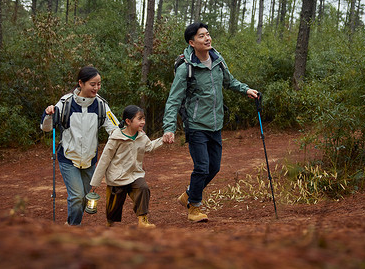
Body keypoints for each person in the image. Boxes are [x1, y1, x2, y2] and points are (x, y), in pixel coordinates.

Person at [162, 22, 259, 222]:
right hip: (196, 125)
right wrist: (169, 128)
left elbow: (229, 82)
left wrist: (246, 89)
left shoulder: (217, 60)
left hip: (216, 124)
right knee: (202, 167)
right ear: (192, 42)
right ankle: (194, 207)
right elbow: (174, 99)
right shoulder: (186, 68)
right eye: (201, 36)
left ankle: (189, 194)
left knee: (214, 167)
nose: (207, 38)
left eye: (207, 34)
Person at [40, 66, 119, 226]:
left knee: (83, 197)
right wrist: (48, 114)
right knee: (76, 197)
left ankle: (71, 224)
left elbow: (115, 128)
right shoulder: (65, 103)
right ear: (80, 83)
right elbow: (46, 127)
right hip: (68, 159)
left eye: (99, 84)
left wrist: (127, 136)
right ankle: (73, 227)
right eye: (92, 84)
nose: (96, 88)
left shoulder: (102, 105)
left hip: (90, 161)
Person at [90, 105, 163, 228]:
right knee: (114, 204)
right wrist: (96, 181)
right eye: (139, 119)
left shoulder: (141, 136)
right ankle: (110, 221)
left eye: (143, 119)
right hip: (117, 177)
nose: (143, 122)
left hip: (135, 174)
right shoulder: (116, 138)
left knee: (143, 188)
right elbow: (105, 159)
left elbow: (149, 146)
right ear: (128, 121)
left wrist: (163, 140)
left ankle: (142, 220)